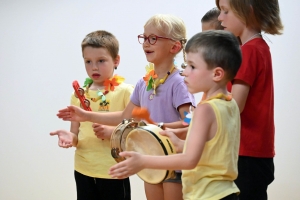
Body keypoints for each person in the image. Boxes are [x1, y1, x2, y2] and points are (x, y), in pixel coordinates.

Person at [57, 14, 195, 200]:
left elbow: (189, 121)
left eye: (153, 38)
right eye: (144, 38)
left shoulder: (179, 82)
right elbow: (124, 116)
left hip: (175, 165)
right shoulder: (144, 83)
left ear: (175, 46)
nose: (146, 43)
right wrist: (86, 116)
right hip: (151, 163)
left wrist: (158, 128)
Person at [109, 30, 242, 200]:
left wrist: (143, 161)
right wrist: (177, 141)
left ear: (217, 74)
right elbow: (212, 147)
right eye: (186, 65)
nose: (185, 72)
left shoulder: (203, 108)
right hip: (226, 192)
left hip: (207, 195)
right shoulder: (230, 104)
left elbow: (189, 154)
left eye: (192, 67)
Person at [50, 30, 134, 200]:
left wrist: (112, 131)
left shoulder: (127, 92)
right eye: (88, 61)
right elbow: (75, 133)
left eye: (101, 61)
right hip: (83, 168)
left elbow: (136, 129)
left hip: (114, 170)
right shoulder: (78, 95)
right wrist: (70, 137)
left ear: (116, 60)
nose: (94, 67)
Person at [216, 0, 284, 199]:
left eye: (225, 11)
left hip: (246, 152)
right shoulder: (258, 47)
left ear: (248, 12)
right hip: (252, 152)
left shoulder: (249, 51)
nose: (220, 17)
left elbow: (234, 107)